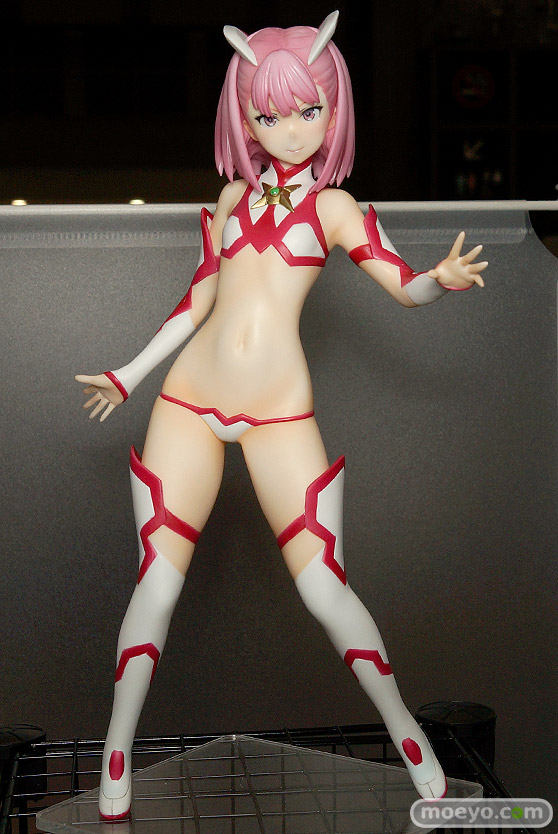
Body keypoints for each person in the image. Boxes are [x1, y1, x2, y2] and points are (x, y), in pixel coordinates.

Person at [76, 12, 487, 821]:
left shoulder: (335, 209)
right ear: (245, 117)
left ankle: (407, 733)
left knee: (326, 588)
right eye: (267, 114)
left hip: (278, 414)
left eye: (307, 109)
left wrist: (437, 279)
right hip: (188, 401)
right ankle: (116, 750)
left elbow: (400, 283)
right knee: (156, 583)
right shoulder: (232, 197)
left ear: (334, 109)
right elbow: (198, 300)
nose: (289, 129)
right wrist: (130, 373)